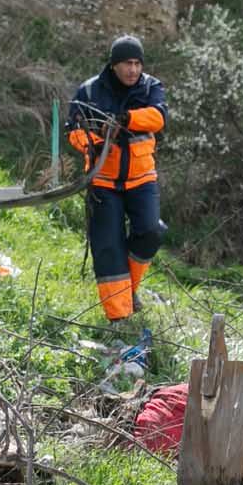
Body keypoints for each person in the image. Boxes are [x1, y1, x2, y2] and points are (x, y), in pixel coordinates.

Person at [68, 36, 169, 322]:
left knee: (151, 231)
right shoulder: (88, 91)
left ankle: (128, 291)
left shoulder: (151, 87)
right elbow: (72, 129)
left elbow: (158, 117)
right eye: (127, 63)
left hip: (141, 179)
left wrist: (127, 119)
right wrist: (91, 145)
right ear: (114, 65)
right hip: (103, 181)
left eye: (138, 64)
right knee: (108, 248)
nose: (133, 70)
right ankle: (120, 319)